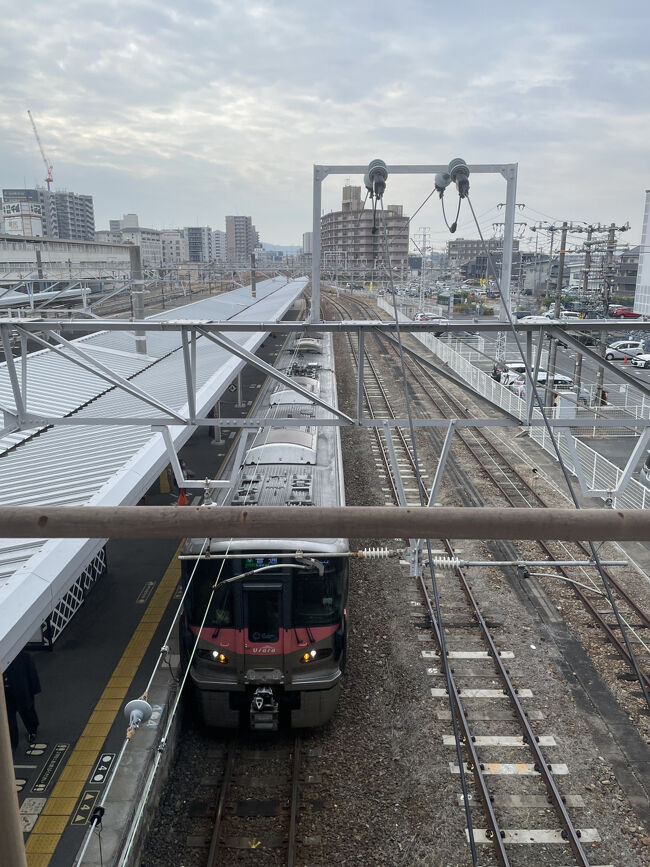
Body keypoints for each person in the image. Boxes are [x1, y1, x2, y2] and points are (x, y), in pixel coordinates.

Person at [3, 651, 41, 751]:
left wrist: (35, 689)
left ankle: (32, 730)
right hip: (7, 693)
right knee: (10, 718)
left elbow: (32, 673)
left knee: (26, 712)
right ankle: (13, 743)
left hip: (21, 692)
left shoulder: (23, 657)